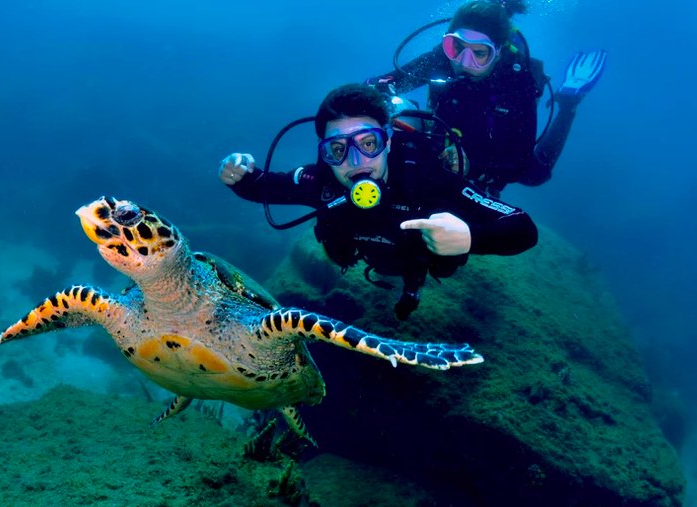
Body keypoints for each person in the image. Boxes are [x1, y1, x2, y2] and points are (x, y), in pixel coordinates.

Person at [218, 84, 537, 321]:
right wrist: (239, 174)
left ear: (388, 140)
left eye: (369, 143)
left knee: (418, 268)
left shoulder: (427, 179)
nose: (356, 161)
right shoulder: (323, 183)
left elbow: (522, 228)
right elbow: (260, 187)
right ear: (324, 152)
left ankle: (413, 289)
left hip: (417, 256)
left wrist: (470, 238)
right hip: (366, 254)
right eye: (338, 149)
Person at [366, 0, 606, 196]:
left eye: (480, 54)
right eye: (456, 48)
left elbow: (518, 163)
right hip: (447, 138)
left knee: (536, 176)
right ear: (447, 43)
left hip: (494, 151)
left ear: (498, 52)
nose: (463, 62)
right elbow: (386, 83)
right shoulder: (441, 58)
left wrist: (473, 166)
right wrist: (377, 94)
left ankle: (568, 102)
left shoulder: (518, 80)